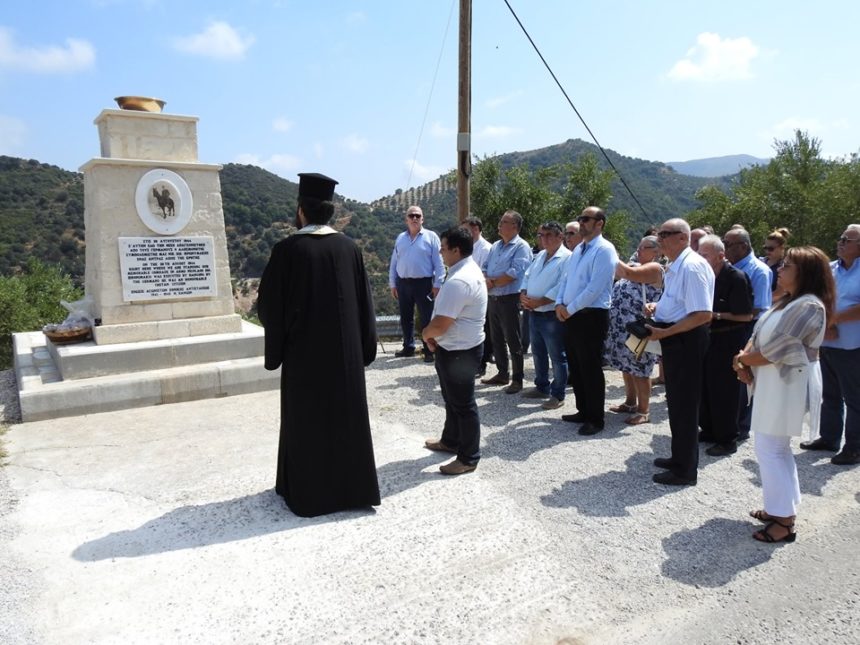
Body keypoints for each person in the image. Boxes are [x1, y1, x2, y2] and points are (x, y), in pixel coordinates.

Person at [257, 172, 380, 517]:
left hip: (305, 357)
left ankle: (307, 494)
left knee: (305, 423)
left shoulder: (287, 250)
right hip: (345, 355)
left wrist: (278, 346)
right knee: (347, 421)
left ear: (301, 211)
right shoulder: (349, 248)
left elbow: (268, 306)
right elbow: (364, 303)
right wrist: (364, 348)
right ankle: (353, 491)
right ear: (331, 211)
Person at [734, 246, 834, 542]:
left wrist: (741, 360)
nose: (780, 269)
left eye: (787, 266)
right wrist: (744, 356)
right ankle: (780, 507)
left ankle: (784, 522)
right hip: (774, 382)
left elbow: (780, 348)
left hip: (788, 383)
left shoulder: (809, 306)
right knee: (774, 448)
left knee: (771, 448)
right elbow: (759, 334)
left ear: (805, 273)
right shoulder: (788, 301)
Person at [619, 218, 714, 485]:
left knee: (685, 405)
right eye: (659, 234)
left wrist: (666, 332)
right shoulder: (676, 266)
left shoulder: (693, 267)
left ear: (683, 237)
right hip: (675, 336)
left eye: (666, 234)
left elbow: (702, 314)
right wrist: (657, 309)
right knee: (676, 402)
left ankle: (685, 470)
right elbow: (679, 303)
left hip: (685, 339)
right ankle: (679, 458)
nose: (660, 238)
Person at [422, 226, 488, 475]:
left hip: (460, 350)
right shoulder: (464, 270)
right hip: (454, 346)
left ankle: (469, 458)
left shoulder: (460, 279)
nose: (440, 251)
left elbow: (441, 323)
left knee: (463, 404)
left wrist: (426, 335)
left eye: (444, 247)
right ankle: (450, 441)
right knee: (452, 400)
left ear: (456, 250)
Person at [555, 207, 618, 435]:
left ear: (599, 223)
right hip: (572, 315)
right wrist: (559, 304)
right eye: (580, 218)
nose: (581, 222)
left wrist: (568, 309)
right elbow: (566, 279)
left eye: (586, 219)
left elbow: (595, 288)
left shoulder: (605, 250)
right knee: (576, 365)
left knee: (590, 367)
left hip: (591, 316)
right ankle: (582, 410)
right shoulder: (579, 249)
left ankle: (595, 418)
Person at [802, 225, 860, 465]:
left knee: (854, 399)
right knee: (830, 394)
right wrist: (827, 321)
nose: (840, 242)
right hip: (828, 340)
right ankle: (829, 438)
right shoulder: (832, 269)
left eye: (847, 239)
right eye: (841, 238)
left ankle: (855, 447)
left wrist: (834, 319)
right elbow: (820, 299)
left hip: (852, 345)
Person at [696, 235, 754, 456]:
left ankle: (728, 438)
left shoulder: (736, 278)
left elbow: (746, 316)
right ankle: (709, 429)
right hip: (708, 338)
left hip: (728, 338)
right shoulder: (705, 275)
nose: (701, 259)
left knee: (725, 390)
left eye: (705, 255)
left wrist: (716, 315)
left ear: (721, 256)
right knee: (706, 386)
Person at [604, 235, 662, 425]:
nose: (639, 249)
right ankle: (630, 402)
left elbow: (627, 273)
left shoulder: (655, 268)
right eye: (639, 246)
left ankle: (644, 410)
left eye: (645, 247)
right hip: (621, 327)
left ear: (657, 252)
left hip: (639, 329)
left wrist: (607, 250)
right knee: (626, 366)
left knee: (640, 369)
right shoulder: (635, 265)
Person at [724, 226, 773, 440]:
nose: (724, 248)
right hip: (732, 326)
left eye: (728, 244)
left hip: (749, 328)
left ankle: (741, 427)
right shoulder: (729, 267)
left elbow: (758, 308)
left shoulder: (759, 270)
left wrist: (721, 313)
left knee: (744, 377)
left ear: (743, 246)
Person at [520, 222, 572, 410]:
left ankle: (558, 394)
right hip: (534, 312)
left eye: (549, 235)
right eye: (541, 235)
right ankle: (541, 386)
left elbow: (562, 285)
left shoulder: (567, 258)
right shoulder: (541, 255)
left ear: (560, 237)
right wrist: (523, 292)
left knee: (557, 355)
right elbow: (527, 275)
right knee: (538, 352)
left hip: (551, 313)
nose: (544, 239)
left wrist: (540, 301)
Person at [480, 210, 533, 394]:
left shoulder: (521, 246)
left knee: (513, 339)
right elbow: (485, 266)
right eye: (501, 221)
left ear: (515, 226)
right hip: (493, 298)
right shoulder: (495, 246)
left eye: (504, 222)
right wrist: (486, 278)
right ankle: (503, 373)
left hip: (510, 298)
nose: (499, 224)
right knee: (496, 338)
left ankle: (517, 379)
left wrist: (491, 282)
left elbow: (515, 272)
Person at [389, 205, 445, 362]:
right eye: (411, 215)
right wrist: (393, 283)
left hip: (424, 284)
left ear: (422, 219)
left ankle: (429, 349)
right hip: (403, 283)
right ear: (406, 219)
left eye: (417, 216)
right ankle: (408, 346)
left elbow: (439, 263)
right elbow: (394, 262)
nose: (414, 218)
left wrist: (438, 284)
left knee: (427, 317)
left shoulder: (431, 237)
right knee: (406, 317)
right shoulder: (400, 238)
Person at [465, 216, 493, 376]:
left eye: (467, 229)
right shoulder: (468, 247)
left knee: (482, 331)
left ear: (475, 229)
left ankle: (482, 363)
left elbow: (483, 273)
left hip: (480, 295)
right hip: (468, 295)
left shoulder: (486, 249)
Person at [761, 227, 791, 292]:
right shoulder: (759, 262)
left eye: (771, 248)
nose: (767, 251)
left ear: (782, 248)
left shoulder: (784, 267)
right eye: (765, 248)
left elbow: (780, 293)